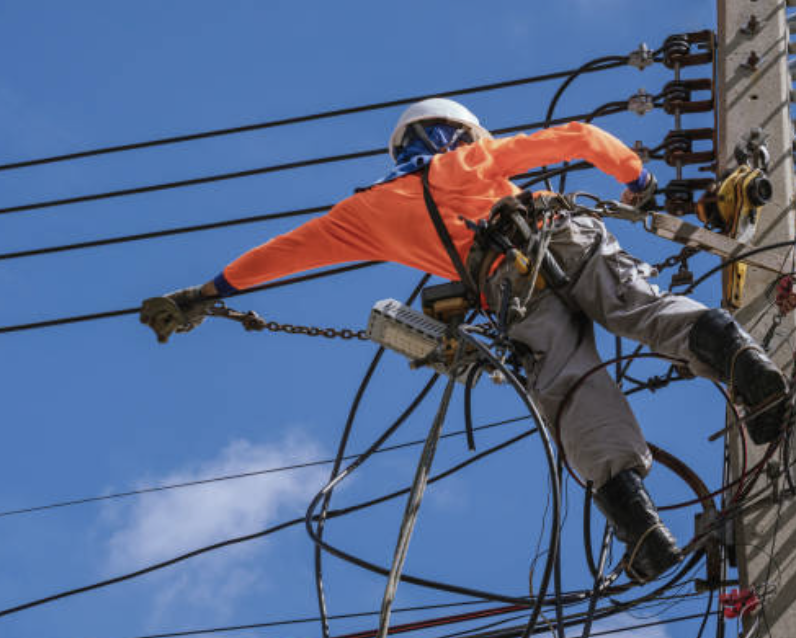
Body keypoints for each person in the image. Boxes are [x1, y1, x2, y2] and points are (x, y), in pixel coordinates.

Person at [141, 98, 789, 582]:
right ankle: (751, 377)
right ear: (458, 134)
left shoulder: (364, 213)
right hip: (557, 236)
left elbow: (284, 254)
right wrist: (639, 182)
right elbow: (582, 137)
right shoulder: (469, 161)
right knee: (643, 311)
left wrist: (204, 294)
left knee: (569, 390)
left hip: (508, 285)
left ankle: (640, 528)